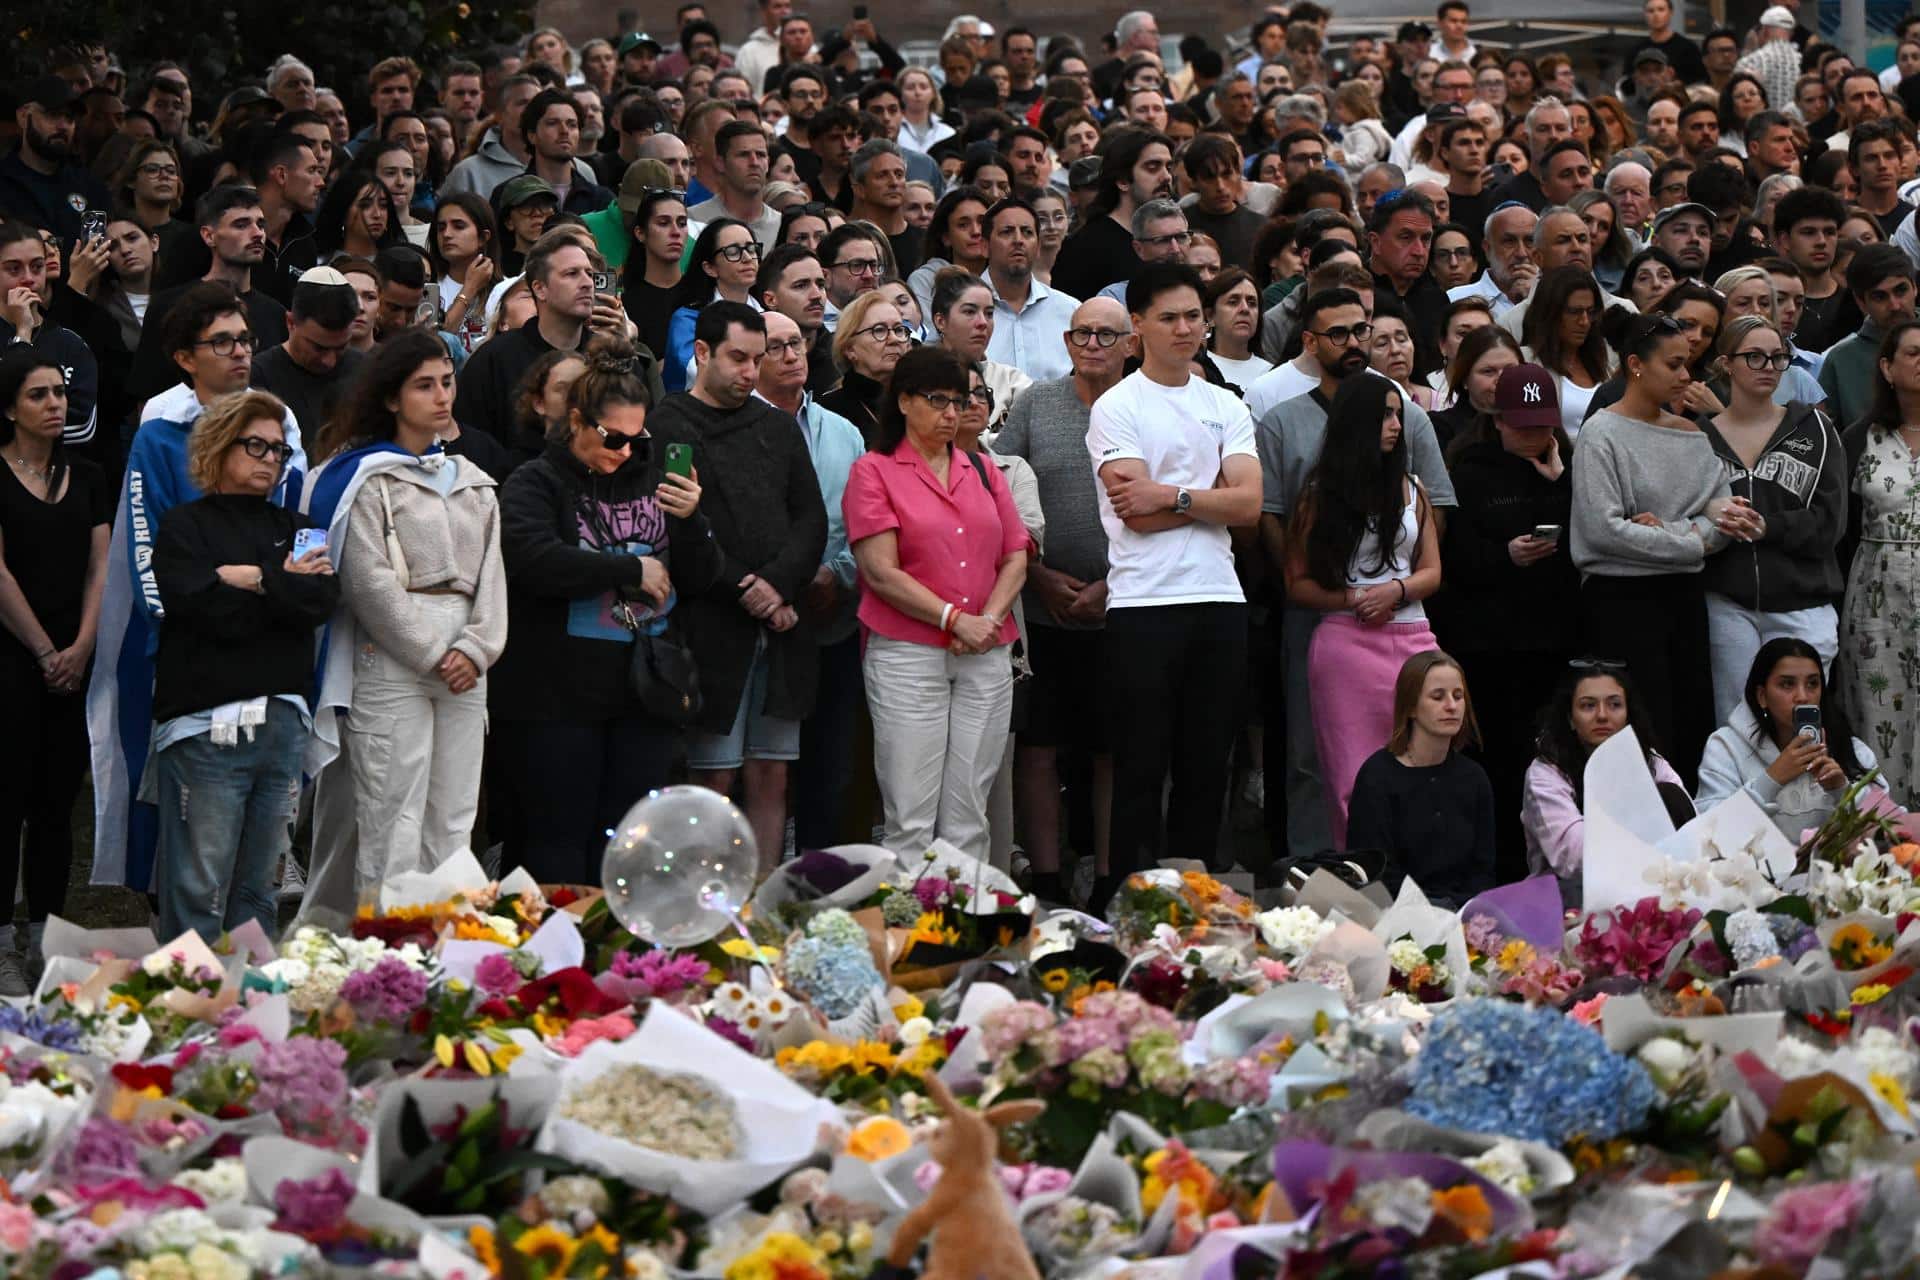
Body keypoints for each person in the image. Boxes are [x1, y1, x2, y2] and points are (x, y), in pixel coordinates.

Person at [493, 337, 717, 881]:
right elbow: (531, 558)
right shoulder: (536, 481)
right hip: (558, 698)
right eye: (613, 437)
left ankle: (622, 961)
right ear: (576, 421)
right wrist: (628, 570)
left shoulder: (653, 474)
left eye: (637, 436)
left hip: (643, 694)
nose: (625, 449)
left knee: (629, 842)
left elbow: (704, 575)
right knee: (559, 840)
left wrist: (690, 521)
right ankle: (558, 957)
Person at [1089, 261, 1263, 900]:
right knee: (1140, 764)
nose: (1186, 328)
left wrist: (1173, 495)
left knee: (1206, 764)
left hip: (1220, 598)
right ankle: (1127, 899)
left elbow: (1248, 506)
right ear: (1137, 326)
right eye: (1169, 318)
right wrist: (1203, 496)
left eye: (1194, 315)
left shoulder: (1225, 404)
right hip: (1144, 603)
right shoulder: (1118, 405)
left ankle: (1194, 899)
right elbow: (1135, 514)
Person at [148, 389, 336, 941]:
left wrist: (247, 578)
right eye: (256, 446)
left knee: (262, 891)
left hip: (281, 729)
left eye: (279, 450)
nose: (270, 460)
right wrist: (279, 583)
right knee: (198, 888)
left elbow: (319, 603)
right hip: (205, 729)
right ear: (218, 447)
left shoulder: (300, 524)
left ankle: (250, 1018)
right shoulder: (184, 526)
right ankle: (187, 1011)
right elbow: (197, 606)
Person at [647, 302, 827, 871]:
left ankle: (765, 895)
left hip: (781, 620)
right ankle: (703, 901)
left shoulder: (774, 423)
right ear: (702, 353)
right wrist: (745, 589)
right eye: (738, 358)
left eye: (760, 357)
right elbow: (677, 525)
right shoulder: (669, 423)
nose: (752, 372)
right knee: (713, 775)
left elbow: (811, 519)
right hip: (710, 625)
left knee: (772, 770)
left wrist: (778, 586)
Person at [329, 330, 506, 890]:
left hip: (466, 663)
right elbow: (368, 579)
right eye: (423, 386)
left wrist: (476, 649)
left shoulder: (476, 482)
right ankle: (387, 960)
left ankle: (449, 953)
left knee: (453, 819)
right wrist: (433, 653)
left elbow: (494, 579)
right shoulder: (368, 478)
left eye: (447, 383)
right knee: (392, 818)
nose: (441, 396)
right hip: (396, 660)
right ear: (391, 398)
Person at [844, 344, 1029, 862]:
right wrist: (954, 619)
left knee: (970, 812)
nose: (953, 413)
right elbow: (881, 571)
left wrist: (987, 619)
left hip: (986, 650)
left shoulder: (985, 469)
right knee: (911, 814)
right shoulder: (873, 471)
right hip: (908, 653)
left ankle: (960, 931)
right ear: (904, 402)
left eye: (961, 401)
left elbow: (1017, 553)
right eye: (938, 400)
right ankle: (910, 936)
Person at [1571, 313, 1759, 785]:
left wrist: (1673, 533)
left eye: (1688, 364)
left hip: (1684, 599)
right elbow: (1602, 531)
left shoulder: (1693, 435)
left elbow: (1721, 519)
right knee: (1633, 732)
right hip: (1620, 603)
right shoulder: (1601, 433)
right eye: (1674, 364)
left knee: (1688, 720)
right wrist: (1690, 535)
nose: (1685, 377)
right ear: (1636, 364)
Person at [992, 296, 1128, 903]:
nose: (1093, 344)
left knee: (1111, 749)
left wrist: (1115, 583)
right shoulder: (1036, 404)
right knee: (1039, 747)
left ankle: (1105, 878)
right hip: (1043, 606)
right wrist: (1039, 574)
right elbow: (998, 491)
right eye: (1082, 334)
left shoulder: (1141, 402)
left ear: (1131, 343)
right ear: (1067, 342)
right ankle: (1045, 881)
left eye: (1107, 334)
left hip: (1126, 606)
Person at [1431, 362, 1578, 880]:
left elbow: (1588, 540)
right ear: (1496, 419)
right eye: (1523, 427)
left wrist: (1562, 483)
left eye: (1543, 426)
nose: (1535, 436)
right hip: (1488, 643)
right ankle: (1499, 867)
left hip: (1552, 638)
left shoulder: (1567, 464)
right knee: (1498, 758)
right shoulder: (1468, 469)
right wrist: (1504, 556)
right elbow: (1449, 557)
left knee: (1549, 757)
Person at [1285, 373, 1442, 848]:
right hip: (1345, 644)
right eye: (1386, 415)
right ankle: (1363, 880)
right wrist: (1352, 599)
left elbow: (1433, 571)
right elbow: (1298, 583)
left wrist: (1396, 590)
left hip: (1413, 636)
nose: (1396, 425)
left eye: (1399, 413)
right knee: (1351, 777)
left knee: (1424, 765)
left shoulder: (1413, 490)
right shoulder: (1318, 496)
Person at [0, 351, 106, 991]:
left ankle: (46, 936)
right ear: (10, 407)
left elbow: (101, 568)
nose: (55, 404)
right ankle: (1, 944)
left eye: (59, 393)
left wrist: (82, 646)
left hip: (75, 658)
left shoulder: (89, 474)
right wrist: (44, 651)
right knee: (5, 802)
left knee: (56, 805)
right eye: (38, 395)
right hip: (13, 658)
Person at [1699, 315, 1846, 722]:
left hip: (1803, 602)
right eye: (1755, 357)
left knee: (1802, 723)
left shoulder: (1814, 429)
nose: (1768, 368)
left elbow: (1830, 522)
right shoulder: (1700, 436)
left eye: (1778, 358)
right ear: (1726, 363)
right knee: (1736, 723)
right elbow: (1683, 509)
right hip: (1729, 602)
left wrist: (1767, 526)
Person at [455, 230, 658, 446]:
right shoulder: (494, 360)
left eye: (590, 274)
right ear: (540, 289)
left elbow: (640, 442)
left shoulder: (613, 358)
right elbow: (473, 444)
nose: (587, 283)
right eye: (572, 274)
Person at [1523, 660, 1686, 905]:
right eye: (1588, 706)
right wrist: (1644, 818)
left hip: (1649, 890)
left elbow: (1687, 823)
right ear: (1570, 719)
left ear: (1628, 714)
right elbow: (1574, 857)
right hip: (1569, 900)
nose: (1602, 715)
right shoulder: (1546, 771)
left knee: (1669, 794)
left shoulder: (1652, 762)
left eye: (1614, 705)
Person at [1840, 318, 1920, 805]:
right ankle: (1885, 835)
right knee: (1879, 710)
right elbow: (1839, 529)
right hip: (1876, 600)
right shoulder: (1859, 438)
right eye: (1913, 352)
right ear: (1887, 368)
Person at [1346, 650, 1495, 906]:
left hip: (1466, 916)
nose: (1451, 705)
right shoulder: (1377, 776)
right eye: (1438, 696)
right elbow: (1375, 872)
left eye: (1458, 696)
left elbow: (1483, 870)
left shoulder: (1474, 778)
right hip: (1395, 916)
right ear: (1411, 706)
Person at [1697, 638, 1877, 839]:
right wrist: (1772, 778)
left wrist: (1843, 791)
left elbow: (1889, 830)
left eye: (1812, 684)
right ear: (1762, 696)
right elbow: (1707, 834)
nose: (1802, 696)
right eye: (1787, 684)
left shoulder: (1853, 750)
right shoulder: (1726, 748)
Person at [251, 267, 364, 452]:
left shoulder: (366, 370)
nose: (330, 361)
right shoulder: (258, 377)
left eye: (341, 348)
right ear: (290, 323)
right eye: (319, 348)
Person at [663, 218, 761, 393]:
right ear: (709, 268)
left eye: (751, 248)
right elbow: (694, 371)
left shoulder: (770, 317)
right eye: (732, 251)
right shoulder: (689, 319)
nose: (747, 258)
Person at [1520, 266, 1610, 438]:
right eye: (1574, 312)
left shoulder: (1603, 365)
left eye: (1590, 312)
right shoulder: (1525, 362)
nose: (1584, 322)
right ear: (1550, 312)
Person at [819, 290, 912, 445]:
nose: (894, 339)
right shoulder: (828, 412)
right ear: (850, 349)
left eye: (898, 329)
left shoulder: (921, 400)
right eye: (879, 330)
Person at [1205, 268, 1273, 392]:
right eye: (1233, 302)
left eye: (1252, 303)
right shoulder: (1195, 370)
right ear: (1210, 316)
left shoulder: (1272, 374)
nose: (1245, 309)